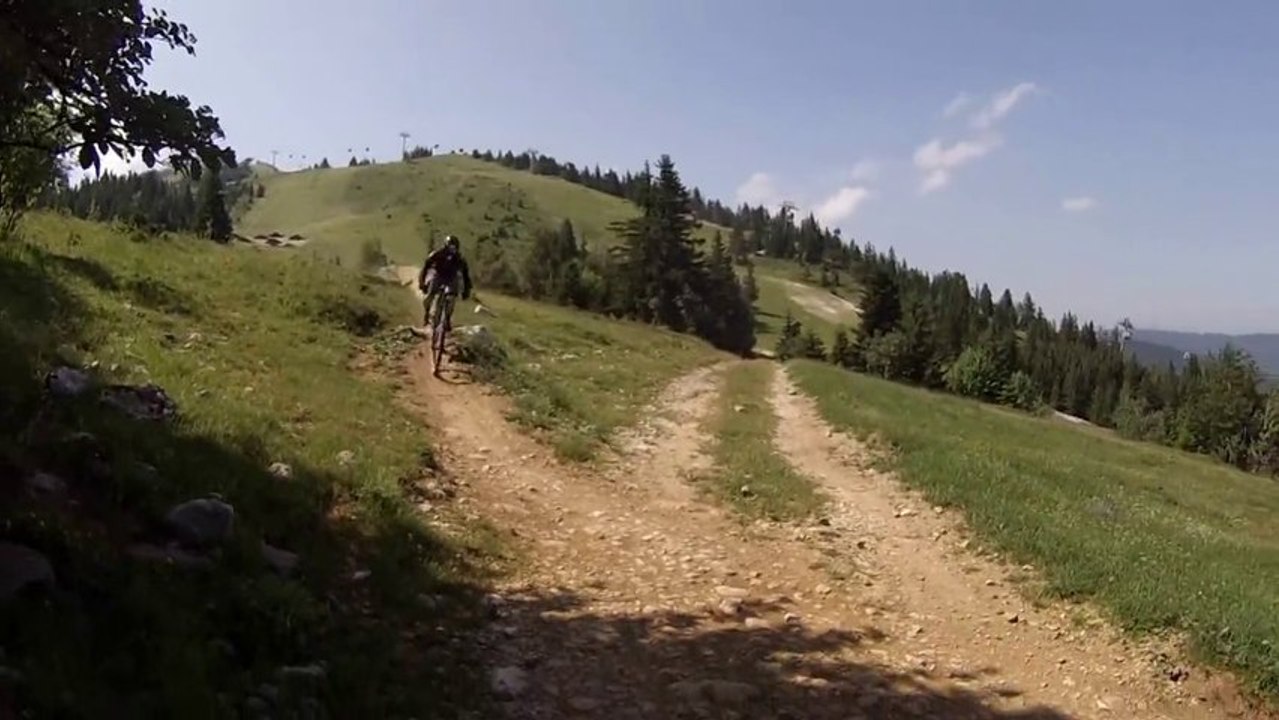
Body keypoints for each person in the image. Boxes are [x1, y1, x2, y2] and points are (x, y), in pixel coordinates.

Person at [417, 235, 472, 332]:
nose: (452, 250)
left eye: (454, 247)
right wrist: (422, 282)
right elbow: (426, 267)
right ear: (445, 246)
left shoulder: (459, 259)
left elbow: (465, 275)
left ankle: (447, 319)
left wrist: (466, 290)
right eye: (450, 247)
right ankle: (427, 313)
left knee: (452, 299)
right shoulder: (437, 254)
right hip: (438, 275)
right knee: (429, 296)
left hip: (451, 278)